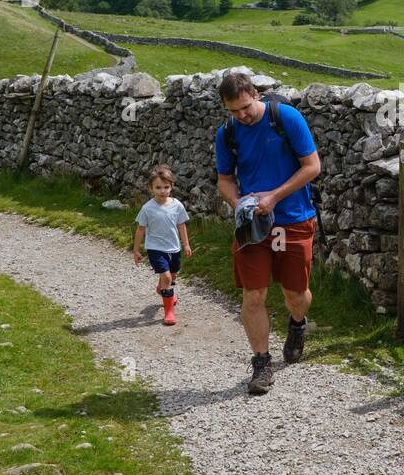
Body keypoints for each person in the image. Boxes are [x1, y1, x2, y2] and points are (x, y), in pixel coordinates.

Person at [215, 72, 321, 395]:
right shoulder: (228, 133)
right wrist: (238, 202)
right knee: (254, 294)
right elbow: (224, 179)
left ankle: (297, 324)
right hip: (252, 226)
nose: (241, 116)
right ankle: (261, 363)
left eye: (245, 107)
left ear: (256, 94)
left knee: (295, 294)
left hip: (293, 218)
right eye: (233, 111)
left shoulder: (285, 118)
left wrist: (273, 196)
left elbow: (312, 166)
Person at [132, 164, 193, 326]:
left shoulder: (177, 206)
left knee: (172, 276)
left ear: (172, 187)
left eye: (166, 187)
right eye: (158, 187)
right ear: (150, 188)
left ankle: (162, 287)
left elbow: (181, 225)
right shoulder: (147, 208)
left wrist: (186, 244)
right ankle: (169, 312)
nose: (162, 191)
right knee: (166, 276)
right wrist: (136, 249)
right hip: (155, 248)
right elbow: (140, 229)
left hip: (174, 248)